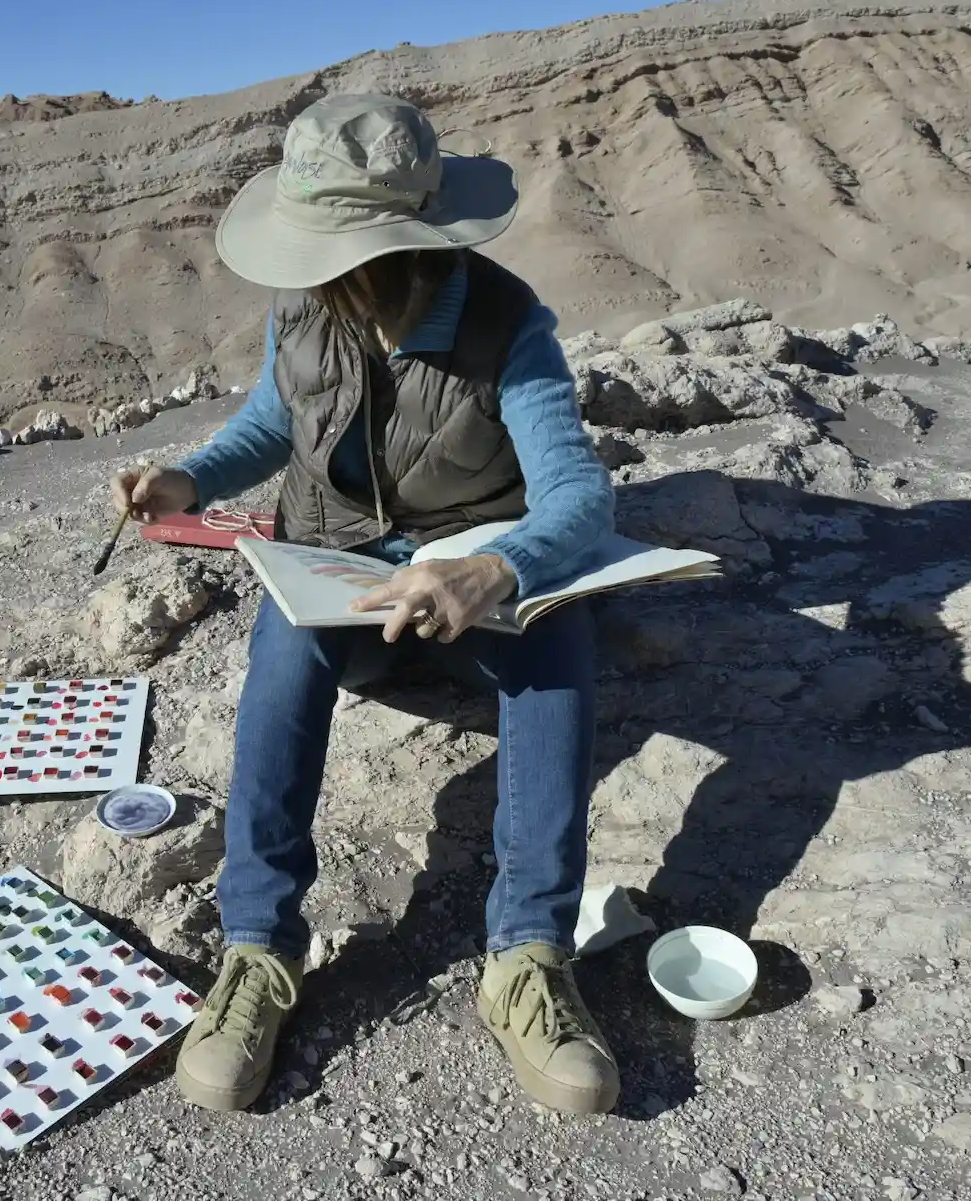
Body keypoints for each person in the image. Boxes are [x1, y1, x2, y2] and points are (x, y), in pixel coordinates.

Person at [109, 94, 620, 1116]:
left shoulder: (507, 323)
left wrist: (497, 569)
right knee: (280, 671)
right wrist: (189, 479)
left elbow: (579, 493)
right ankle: (257, 949)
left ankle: (527, 955)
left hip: (468, 577)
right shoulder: (306, 306)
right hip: (334, 566)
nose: (305, 276)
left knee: (557, 657)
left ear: (400, 253)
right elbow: (273, 420)